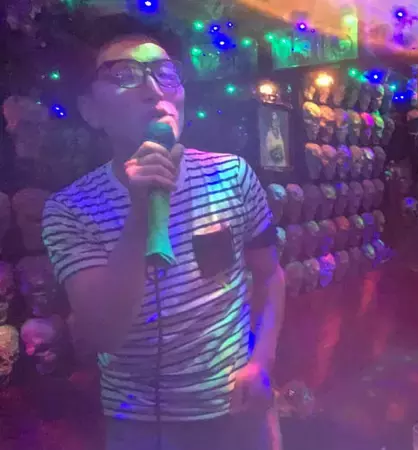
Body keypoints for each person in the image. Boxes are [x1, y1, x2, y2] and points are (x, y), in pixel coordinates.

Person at [41, 15, 285, 450]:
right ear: (90, 111)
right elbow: (103, 333)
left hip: (239, 406)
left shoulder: (232, 174)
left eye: (165, 72)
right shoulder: (70, 209)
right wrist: (141, 213)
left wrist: (262, 361)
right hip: (140, 424)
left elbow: (270, 275)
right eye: (124, 75)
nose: (154, 89)